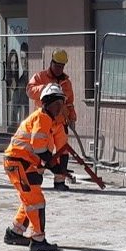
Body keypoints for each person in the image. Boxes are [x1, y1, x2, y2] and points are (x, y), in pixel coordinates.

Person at [2, 83, 69, 251]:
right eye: (56, 104)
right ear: (47, 103)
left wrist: (55, 167)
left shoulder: (47, 119)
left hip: (20, 163)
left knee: (30, 199)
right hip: (19, 163)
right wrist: (55, 168)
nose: (59, 108)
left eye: (61, 105)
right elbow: (39, 148)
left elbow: (43, 149)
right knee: (36, 201)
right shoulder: (43, 118)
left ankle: (15, 233)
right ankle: (38, 241)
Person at [28, 49, 79, 190]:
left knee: (63, 152)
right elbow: (29, 91)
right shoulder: (40, 77)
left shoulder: (66, 83)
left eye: (61, 67)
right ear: (51, 63)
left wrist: (72, 116)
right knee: (43, 151)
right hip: (46, 122)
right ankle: (36, 178)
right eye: (57, 66)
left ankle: (60, 181)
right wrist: (46, 88)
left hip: (60, 122)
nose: (59, 69)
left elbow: (69, 103)